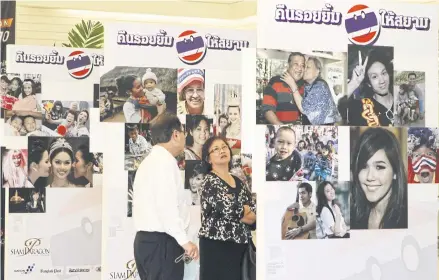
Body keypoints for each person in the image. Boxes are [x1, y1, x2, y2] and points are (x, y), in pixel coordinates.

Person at [133, 112, 198, 280]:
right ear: (175, 135)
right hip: (161, 244)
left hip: (148, 242)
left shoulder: (150, 161)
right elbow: (166, 207)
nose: (185, 136)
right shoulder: (164, 163)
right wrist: (184, 241)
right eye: (183, 132)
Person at [198, 136, 256, 280]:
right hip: (217, 247)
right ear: (209, 159)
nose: (222, 151)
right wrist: (244, 210)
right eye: (216, 149)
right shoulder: (209, 182)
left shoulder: (239, 182)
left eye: (224, 147)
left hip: (240, 248)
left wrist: (245, 211)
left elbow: (253, 215)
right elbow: (234, 210)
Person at [351, 127, 408, 229]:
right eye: (364, 167)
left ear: (395, 172)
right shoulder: (353, 218)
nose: (370, 177)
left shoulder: (407, 219)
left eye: (379, 167)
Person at [281, 56, 341, 125]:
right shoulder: (309, 85)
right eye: (304, 67)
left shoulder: (320, 85)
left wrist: (292, 84)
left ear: (317, 71)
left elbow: (304, 108)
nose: (304, 70)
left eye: (308, 67)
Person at [347, 49, 394, 126]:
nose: (382, 80)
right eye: (374, 77)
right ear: (368, 83)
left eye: (383, 73)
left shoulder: (402, 100)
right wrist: (354, 83)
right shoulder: (360, 108)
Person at [262, 52, 306, 124]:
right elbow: (267, 109)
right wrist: (281, 126)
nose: (300, 68)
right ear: (288, 66)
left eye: (302, 65)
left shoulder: (304, 86)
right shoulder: (275, 82)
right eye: (296, 64)